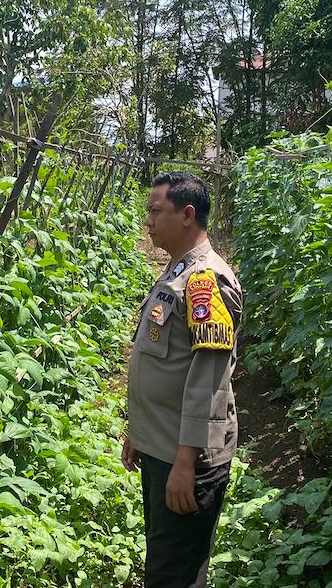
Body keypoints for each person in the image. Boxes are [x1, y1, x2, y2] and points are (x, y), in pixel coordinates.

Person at [122, 171, 243, 588]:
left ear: (187, 214)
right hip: (163, 448)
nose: (148, 222)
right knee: (166, 563)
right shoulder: (178, 270)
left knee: (173, 576)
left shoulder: (206, 281)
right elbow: (164, 361)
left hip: (184, 458)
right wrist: (139, 430)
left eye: (156, 212)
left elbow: (208, 380)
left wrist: (186, 463)